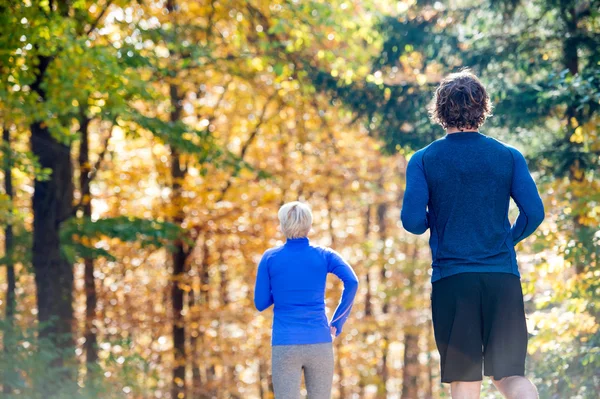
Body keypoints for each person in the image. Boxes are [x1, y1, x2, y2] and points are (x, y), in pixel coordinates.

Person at [401, 69, 544, 399]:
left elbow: (412, 221)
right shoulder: (508, 156)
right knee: (509, 375)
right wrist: (507, 239)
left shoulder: (423, 160)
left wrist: (433, 221)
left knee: (465, 379)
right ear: (482, 109)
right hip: (502, 279)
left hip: (453, 280)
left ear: (440, 110)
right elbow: (534, 213)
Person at [254, 201, 359, 399]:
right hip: (320, 341)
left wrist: (283, 291)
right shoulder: (324, 255)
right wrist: (338, 322)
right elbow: (352, 282)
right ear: (309, 226)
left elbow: (260, 303)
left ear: (282, 226)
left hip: (285, 344)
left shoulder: (270, 257)